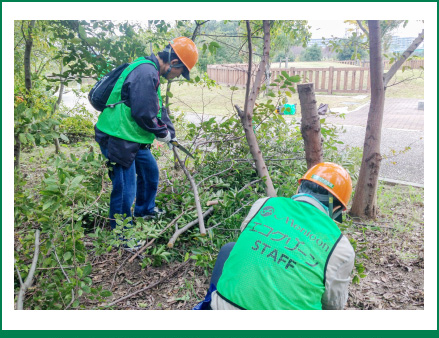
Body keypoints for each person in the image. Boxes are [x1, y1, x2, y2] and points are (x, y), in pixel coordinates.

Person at [194, 162, 355, 310]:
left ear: (299, 188)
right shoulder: (341, 247)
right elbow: (333, 306)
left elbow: (247, 241)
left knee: (230, 249)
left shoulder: (264, 204)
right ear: (337, 209)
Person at [94, 37, 198, 230]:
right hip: (117, 137)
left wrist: (170, 133)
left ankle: (145, 210)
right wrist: (160, 132)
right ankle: (122, 233)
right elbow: (143, 112)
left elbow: (157, 108)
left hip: (131, 136)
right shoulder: (145, 71)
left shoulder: (152, 71)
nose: (177, 76)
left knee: (150, 172)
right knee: (126, 187)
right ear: (174, 63)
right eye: (179, 72)